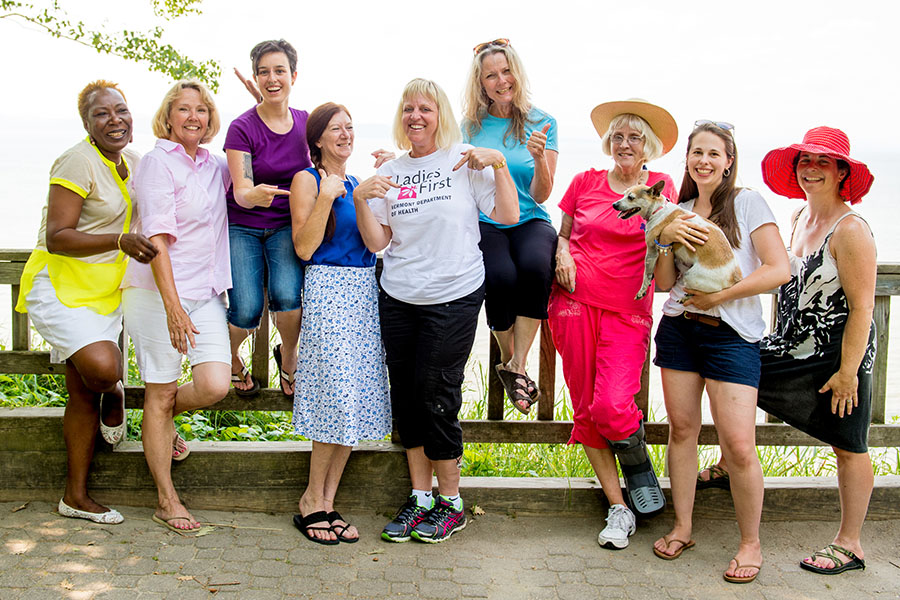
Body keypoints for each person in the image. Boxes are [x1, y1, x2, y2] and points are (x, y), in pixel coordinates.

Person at [704, 127, 876, 574]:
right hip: (791, 345)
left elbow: (862, 309)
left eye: (823, 161)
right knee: (732, 369)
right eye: (805, 161)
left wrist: (848, 373)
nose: (812, 169)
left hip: (839, 355)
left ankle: (850, 544)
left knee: (849, 445)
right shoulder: (799, 217)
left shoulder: (851, 230)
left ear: (842, 172)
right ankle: (729, 463)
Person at [353, 78, 518, 543]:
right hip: (399, 296)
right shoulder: (393, 170)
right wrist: (362, 199)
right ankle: (420, 497)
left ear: (440, 114)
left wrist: (500, 163)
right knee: (406, 397)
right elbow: (378, 242)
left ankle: (451, 502)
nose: (416, 116)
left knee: (437, 394)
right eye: (408, 109)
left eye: (425, 108)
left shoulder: (462, 160)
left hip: (453, 296)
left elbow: (507, 215)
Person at [650, 121, 790, 583]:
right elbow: (666, 284)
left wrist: (718, 299)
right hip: (678, 330)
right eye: (697, 153)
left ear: (729, 161)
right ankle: (684, 526)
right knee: (682, 431)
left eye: (714, 153)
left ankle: (751, 544)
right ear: (687, 160)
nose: (704, 161)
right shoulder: (679, 208)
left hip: (732, 336)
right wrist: (667, 242)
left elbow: (778, 270)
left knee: (738, 446)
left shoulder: (747, 202)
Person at [15, 80, 158, 523]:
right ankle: (115, 392)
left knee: (80, 392)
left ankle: (74, 497)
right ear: (87, 125)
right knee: (103, 370)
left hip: (104, 289)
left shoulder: (134, 161)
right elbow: (58, 238)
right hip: (61, 286)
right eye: (102, 114)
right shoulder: (77, 161)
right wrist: (119, 240)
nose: (115, 120)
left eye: (121, 110)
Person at [548, 99, 678, 550]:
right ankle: (618, 507)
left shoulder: (662, 188)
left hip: (628, 310)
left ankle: (638, 462)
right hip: (573, 306)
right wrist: (562, 253)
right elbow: (562, 233)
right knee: (586, 407)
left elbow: (667, 243)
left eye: (634, 137)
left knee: (611, 405)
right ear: (608, 143)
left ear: (648, 148)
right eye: (618, 137)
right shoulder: (585, 181)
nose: (625, 144)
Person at [122, 80, 232, 533]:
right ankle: (167, 500)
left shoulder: (216, 164)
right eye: (183, 109)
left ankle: (163, 423)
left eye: (201, 110)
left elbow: (248, 185)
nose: (193, 117)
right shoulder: (155, 163)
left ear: (210, 119)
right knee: (160, 389)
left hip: (205, 291)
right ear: (168, 117)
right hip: (155, 293)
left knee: (213, 384)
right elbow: (158, 240)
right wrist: (172, 307)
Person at [288, 102, 392, 544]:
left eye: (350, 127)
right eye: (335, 129)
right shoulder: (308, 180)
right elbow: (305, 248)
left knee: (355, 397)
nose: (345, 134)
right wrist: (329, 196)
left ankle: (328, 501)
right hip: (328, 289)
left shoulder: (356, 183)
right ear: (317, 139)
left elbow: (379, 244)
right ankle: (311, 499)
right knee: (333, 392)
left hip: (364, 290)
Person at [461, 39, 558, 414]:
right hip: (487, 219)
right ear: (481, 83)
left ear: (517, 73)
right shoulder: (470, 126)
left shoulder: (542, 122)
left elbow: (542, 193)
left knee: (535, 267)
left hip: (531, 217)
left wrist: (539, 159)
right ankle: (510, 357)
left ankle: (515, 367)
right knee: (499, 276)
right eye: (491, 75)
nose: (501, 81)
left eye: (506, 71)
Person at [224, 39, 310, 398]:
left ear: (293, 75)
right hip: (242, 224)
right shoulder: (241, 127)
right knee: (246, 308)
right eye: (263, 72)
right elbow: (241, 189)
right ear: (256, 78)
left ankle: (288, 358)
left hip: (286, 225)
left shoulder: (307, 123)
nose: (271, 78)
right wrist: (254, 195)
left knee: (288, 296)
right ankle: (230, 357)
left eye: (279, 71)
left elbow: (330, 162)